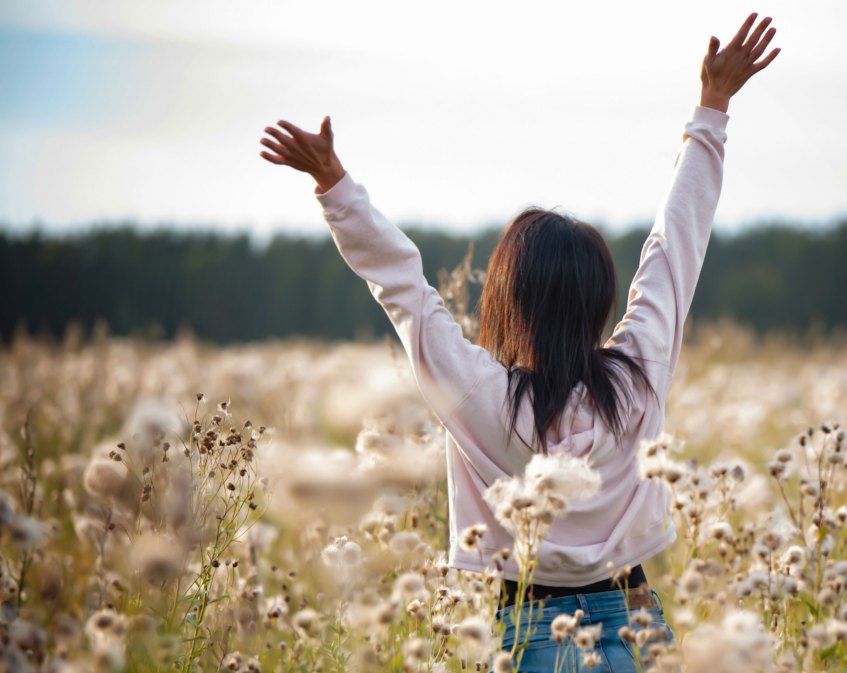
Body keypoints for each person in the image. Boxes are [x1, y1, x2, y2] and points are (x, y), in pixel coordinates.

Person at [259, 12, 779, 672]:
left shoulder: (482, 396)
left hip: (528, 634)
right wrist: (712, 109)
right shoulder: (639, 376)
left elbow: (405, 287)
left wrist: (335, 187)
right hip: (638, 631)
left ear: (505, 299)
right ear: (599, 299)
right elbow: (678, 243)